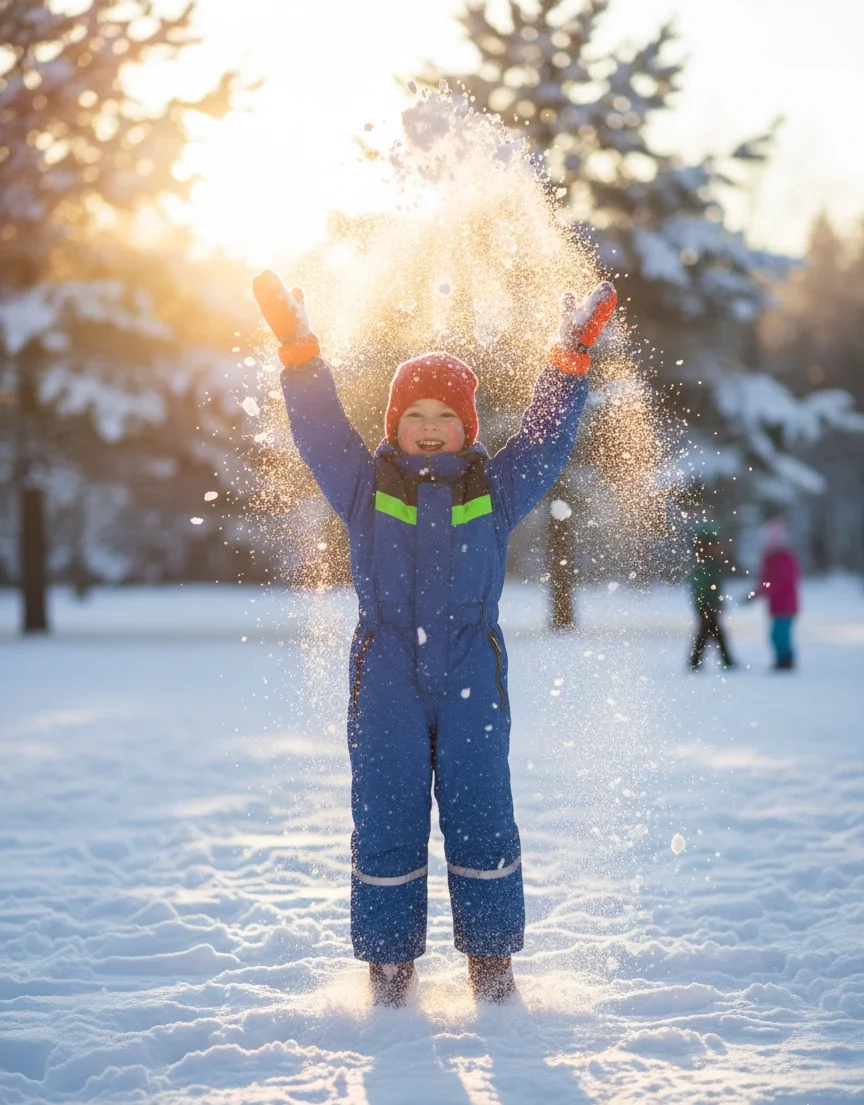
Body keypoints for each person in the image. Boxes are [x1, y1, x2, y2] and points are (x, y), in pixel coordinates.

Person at [253, 270, 617, 1006]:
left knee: (481, 805)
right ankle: (389, 966)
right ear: (393, 423)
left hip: (468, 671)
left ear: (466, 427)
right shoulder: (364, 483)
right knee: (386, 807)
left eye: (443, 414)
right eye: (413, 412)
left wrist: (568, 358)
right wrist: (298, 349)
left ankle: (491, 958)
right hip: (385, 669)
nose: (427, 425)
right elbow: (320, 428)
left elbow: (546, 441)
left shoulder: (494, 487)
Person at [751, 518, 799, 670]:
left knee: (781, 635)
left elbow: (782, 582)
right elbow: (766, 581)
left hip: (787, 605)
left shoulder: (786, 560)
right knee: (775, 636)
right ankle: (781, 659)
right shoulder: (768, 561)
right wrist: (757, 592)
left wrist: (765, 590)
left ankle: (786, 660)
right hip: (775, 606)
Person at [689, 521, 736, 671]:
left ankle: (698, 661)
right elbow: (700, 589)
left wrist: (717, 602)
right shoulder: (703, 567)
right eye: (714, 545)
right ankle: (722, 661)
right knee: (710, 633)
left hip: (711, 605)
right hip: (706, 607)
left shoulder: (714, 565)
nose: (718, 548)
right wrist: (705, 604)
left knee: (710, 633)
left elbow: (716, 588)